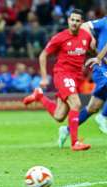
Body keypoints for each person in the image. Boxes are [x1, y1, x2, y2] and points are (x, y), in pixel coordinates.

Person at [23, 9, 93, 151]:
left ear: (81, 23)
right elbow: (43, 55)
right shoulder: (59, 37)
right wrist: (43, 78)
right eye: (72, 20)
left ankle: (40, 96)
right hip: (63, 74)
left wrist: (99, 59)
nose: (74, 23)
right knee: (76, 103)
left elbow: (92, 51)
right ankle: (75, 143)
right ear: (68, 21)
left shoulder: (86, 36)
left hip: (77, 78)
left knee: (59, 116)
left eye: (77, 20)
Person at [57, 16, 107, 147]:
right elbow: (84, 26)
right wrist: (92, 38)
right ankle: (104, 116)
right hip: (101, 65)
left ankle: (66, 130)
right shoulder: (103, 22)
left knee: (92, 107)